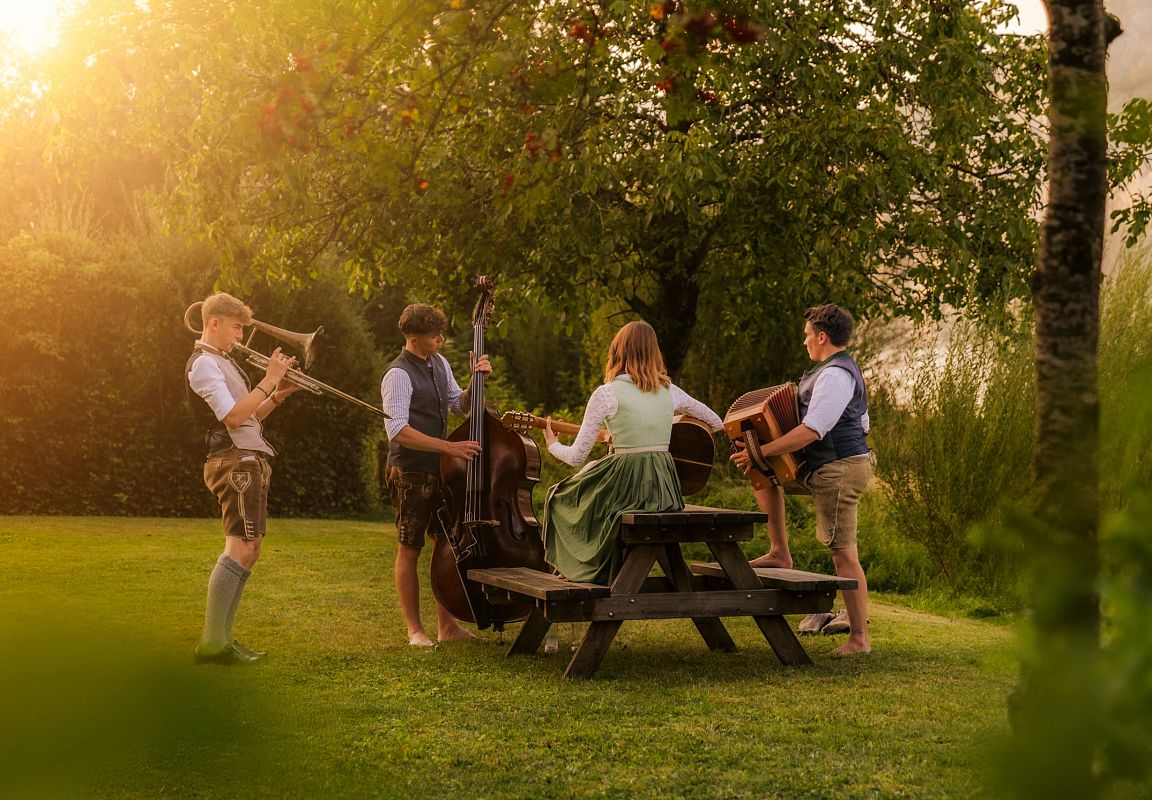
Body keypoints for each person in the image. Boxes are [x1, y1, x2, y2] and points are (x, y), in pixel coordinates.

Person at [731, 303, 874, 656]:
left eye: (808, 334)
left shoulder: (836, 375)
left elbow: (812, 430)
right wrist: (760, 456)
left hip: (839, 469)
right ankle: (780, 553)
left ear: (822, 336)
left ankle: (859, 639)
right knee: (761, 474)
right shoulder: (828, 372)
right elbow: (862, 423)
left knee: (842, 552)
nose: (805, 340)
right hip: (822, 466)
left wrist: (762, 451)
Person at [542, 321, 724, 585]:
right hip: (664, 491)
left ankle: (578, 568)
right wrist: (670, 430)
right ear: (654, 353)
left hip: (625, 487)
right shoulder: (670, 391)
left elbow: (577, 457)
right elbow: (716, 422)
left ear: (617, 352)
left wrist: (551, 445)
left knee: (560, 497)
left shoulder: (605, 394)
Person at [186, 292, 301, 665]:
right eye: (236, 328)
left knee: (250, 549)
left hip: (247, 458)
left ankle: (222, 641)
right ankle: (212, 644)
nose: (240, 336)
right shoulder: (203, 364)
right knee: (238, 548)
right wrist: (269, 379)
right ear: (214, 323)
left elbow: (249, 416)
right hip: (232, 463)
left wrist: (278, 394)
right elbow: (232, 419)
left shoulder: (223, 362)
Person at [380, 303, 491, 647]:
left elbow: (460, 404)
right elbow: (397, 430)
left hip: (440, 470)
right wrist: (450, 449)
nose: (441, 339)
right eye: (434, 335)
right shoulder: (397, 374)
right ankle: (415, 631)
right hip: (410, 472)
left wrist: (477, 380)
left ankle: (447, 627)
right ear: (414, 339)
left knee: (445, 545)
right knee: (409, 549)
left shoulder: (440, 363)